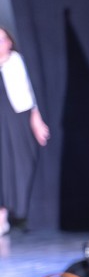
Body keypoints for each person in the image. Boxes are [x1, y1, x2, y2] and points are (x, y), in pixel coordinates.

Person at [0, 26, 50, 235]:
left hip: (16, 118)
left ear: (10, 42)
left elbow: (29, 93)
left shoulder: (16, 62)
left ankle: (15, 213)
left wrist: (36, 118)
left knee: (15, 164)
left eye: (2, 39)